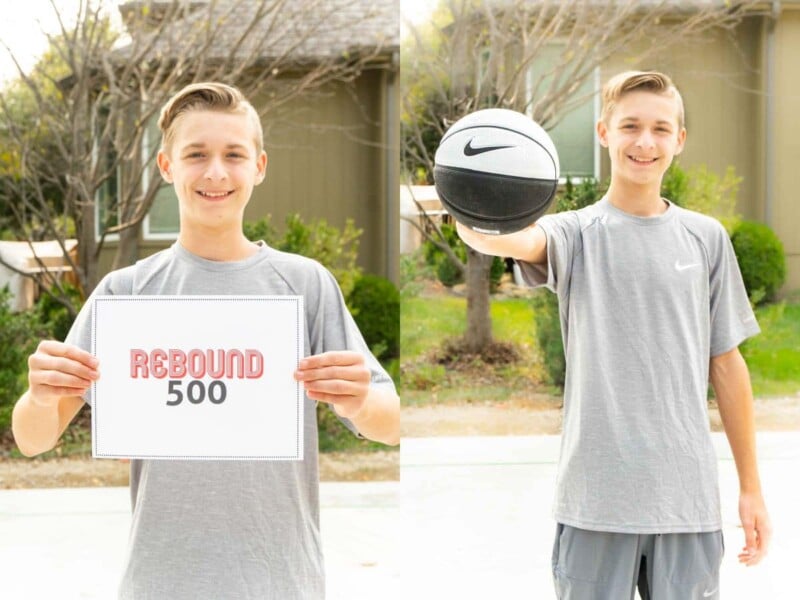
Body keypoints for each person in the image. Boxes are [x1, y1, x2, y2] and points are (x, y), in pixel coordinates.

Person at [11, 82, 399, 599]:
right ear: (167, 166)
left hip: (282, 582)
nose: (216, 171)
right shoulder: (126, 293)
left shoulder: (305, 286)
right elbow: (33, 439)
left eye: (233, 155)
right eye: (196, 154)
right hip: (160, 583)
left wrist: (360, 399)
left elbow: (390, 423)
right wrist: (41, 396)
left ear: (259, 166)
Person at [457, 71, 771, 599]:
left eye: (660, 129)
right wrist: (469, 201)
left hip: (686, 504)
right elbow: (510, 240)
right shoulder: (574, 234)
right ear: (604, 132)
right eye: (630, 126)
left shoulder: (706, 239)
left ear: (679, 140)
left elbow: (728, 365)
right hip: (595, 504)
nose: (644, 142)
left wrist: (751, 488)